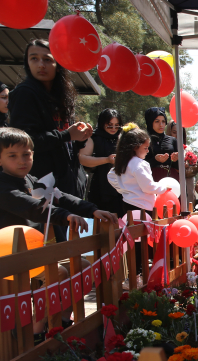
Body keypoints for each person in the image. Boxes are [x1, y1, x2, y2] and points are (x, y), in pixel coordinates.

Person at [0, 128, 118, 334]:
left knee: (82, 267)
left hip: (34, 252)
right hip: (10, 256)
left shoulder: (32, 180)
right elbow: (32, 206)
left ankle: (62, 320)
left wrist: (92, 210)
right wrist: (64, 216)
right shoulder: (3, 185)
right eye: (12, 156)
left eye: (26, 154)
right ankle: (36, 331)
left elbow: (60, 196)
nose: (21, 161)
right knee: (59, 273)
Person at [9, 39, 93, 241]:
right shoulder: (25, 93)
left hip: (64, 184)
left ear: (58, 64)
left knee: (68, 246)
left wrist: (79, 138)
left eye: (47, 59)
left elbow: (63, 142)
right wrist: (67, 135)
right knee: (50, 246)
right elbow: (25, 142)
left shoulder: (60, 94)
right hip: (41, 186)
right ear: (27, 63)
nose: (41, 65)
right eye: (34, 59)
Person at [107, 123, 169, 214]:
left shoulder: (123, 162)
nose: (148, 151)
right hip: (142, 206)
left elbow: (111, 176)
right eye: (145, 148)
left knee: (130, 223)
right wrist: (164, 188)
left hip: (127, 203)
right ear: (135, 147)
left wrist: (124, 189)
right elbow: (148, 186)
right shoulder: (139, 164)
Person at [78, 109, 124, 216]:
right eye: (109, 125)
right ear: (102, 123)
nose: (113, 129)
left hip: (121, 187)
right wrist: (107, 160)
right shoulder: (93, 137)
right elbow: (82, 159)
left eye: (117, 125)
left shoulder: (122, 137)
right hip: (100, 185)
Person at [167, 120, 198, 205]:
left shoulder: (187, 148)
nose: (177, 135)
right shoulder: (165, 149)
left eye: (180, 132)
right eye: (174, 132)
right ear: (169, 132)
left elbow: (195, 167)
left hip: (187, 187)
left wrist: (188, 166)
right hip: (172, 186)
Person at [144, 107, 179, 183]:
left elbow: (179, 167)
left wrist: (176, 160)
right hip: (150, 179)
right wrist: (155, 160)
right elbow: (139, 164)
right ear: (150, 122)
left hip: (171, 179)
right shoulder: (143, 140)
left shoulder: (172, 140)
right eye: (157, 121)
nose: (161, 125)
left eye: (163, 121)